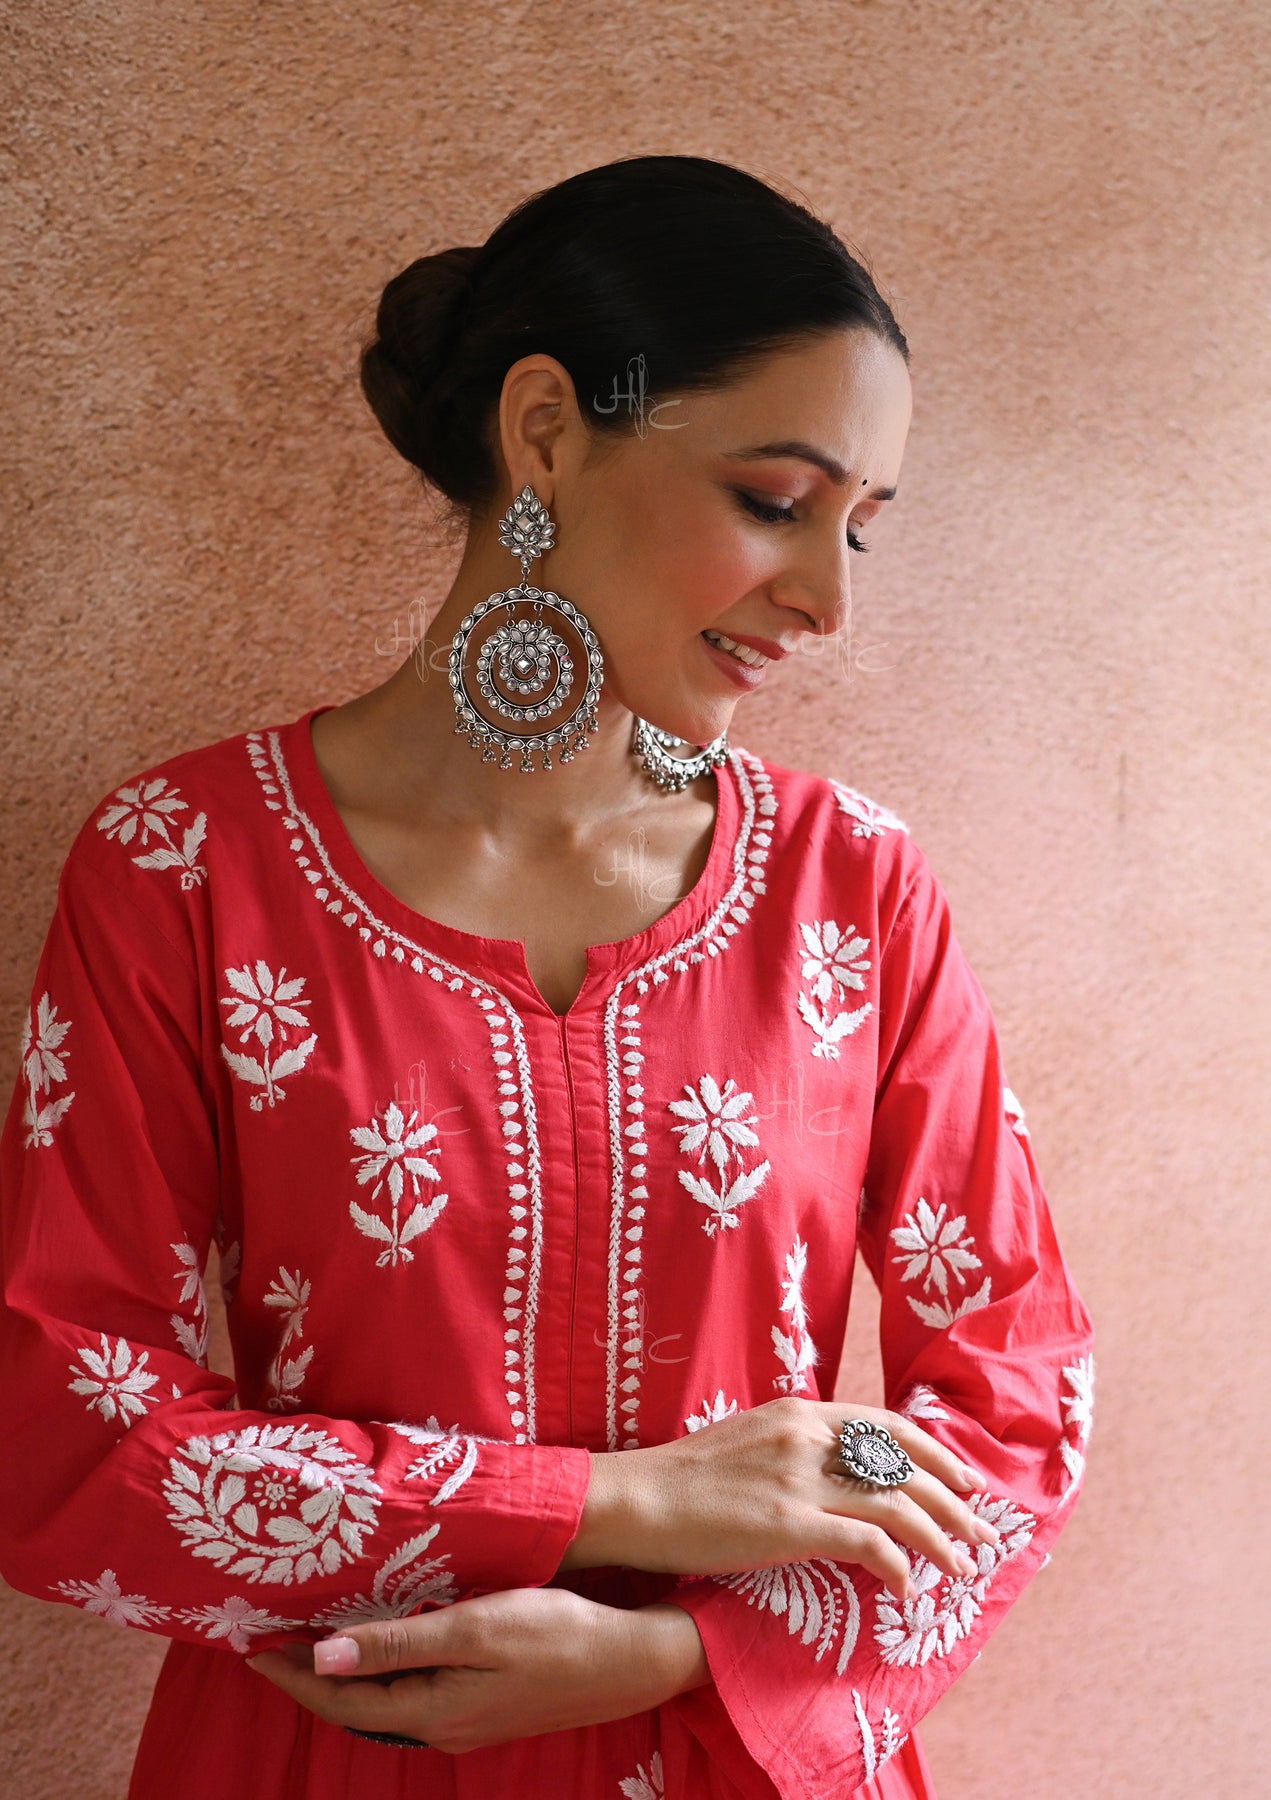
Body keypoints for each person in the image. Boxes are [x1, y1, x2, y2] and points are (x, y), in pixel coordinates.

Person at [0, 154, 1096, 1800]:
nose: (828, 600)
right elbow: (69, 1443)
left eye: (860, 529)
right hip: (337, 1757)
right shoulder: (184, 869)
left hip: (738, 1754)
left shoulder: (850, 888)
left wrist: (685, 1657)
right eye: (774, 501)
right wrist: (616, 1505)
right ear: (544, 436)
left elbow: (1018, 1401)